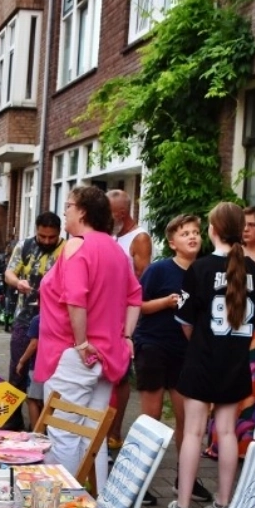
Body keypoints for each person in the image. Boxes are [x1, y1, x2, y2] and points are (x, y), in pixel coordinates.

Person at [36, 186, 142, 491]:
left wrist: (81, 341)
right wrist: (127, 336)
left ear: (82, 211)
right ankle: (95, 501)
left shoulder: (76, 245)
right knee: (93, 434)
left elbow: (76, 298)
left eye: (69, 205)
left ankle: (62, 502)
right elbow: (135, 296)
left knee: (64, 433)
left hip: (72, 354)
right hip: (107, 355)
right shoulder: (116, 250)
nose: (65, 211)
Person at [166, 202, 255, 508]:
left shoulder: (200, 268)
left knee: (193, 432)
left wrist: (200, 340)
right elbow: (254, 321)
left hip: (202, 359)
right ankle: (223, 504)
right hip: (235, 362)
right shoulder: (253, 269)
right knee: (226, 431)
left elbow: (185, 320)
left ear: (214, 230)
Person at [133, 214, 202, 506]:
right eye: (185, 233)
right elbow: (137, 305)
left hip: (185, 352)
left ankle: (185, 479)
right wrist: (165, 302)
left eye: (196, 232)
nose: (192, 237)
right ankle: (138, 482)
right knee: (152, 417)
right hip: (153, 345)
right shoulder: (159, 270)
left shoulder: (203, 271)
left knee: (186, 418)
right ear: (172, 243)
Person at [205, 205, 255, 460]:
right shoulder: (233, 254)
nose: (247, 229)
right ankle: (223, 442)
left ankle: (252, 446)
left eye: (252, 224)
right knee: (229, 384)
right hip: (232, 328)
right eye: (244, 224)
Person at [107, 190, 151, 451]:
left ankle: (115, 431)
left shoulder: (140, 238)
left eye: (109, 213)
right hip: (110, 313)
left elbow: (140, 281)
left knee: (121, 375)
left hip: (126, 317)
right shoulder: (114, 235)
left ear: (121, 214)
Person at [4, 212, 62, 403]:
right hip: (25, 318)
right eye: (42, 236)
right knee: (17, 368)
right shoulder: (24, 246)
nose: (46, 241)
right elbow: (9, 273)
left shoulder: (67, 250)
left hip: (55, 322)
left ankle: (45, 416)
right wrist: (17, 282)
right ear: (36, 230)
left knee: (50, 373)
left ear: (59, 232)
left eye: (52, 237)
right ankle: (12, 415)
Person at [16, 312, 43, 428]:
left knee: (32, 399)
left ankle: (37, 431)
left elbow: (34, 344)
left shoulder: (38, 319)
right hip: (56, 365)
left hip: (38, 366)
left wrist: (21, 361)